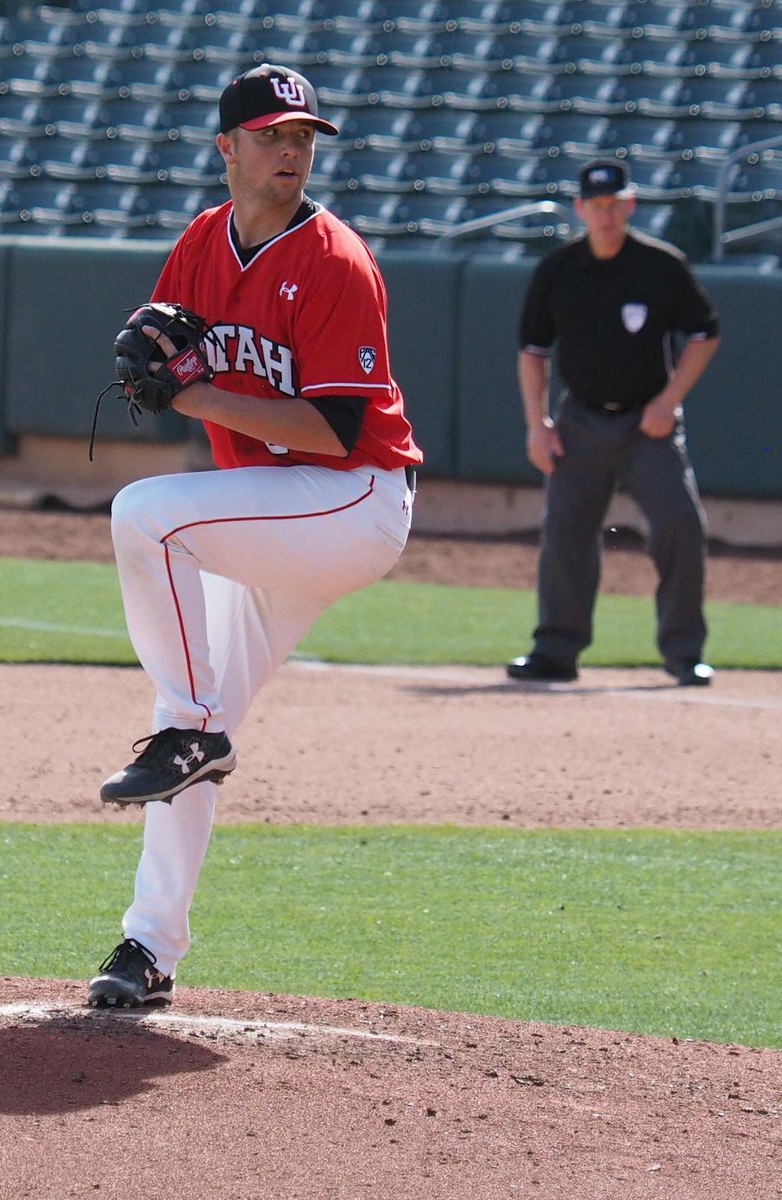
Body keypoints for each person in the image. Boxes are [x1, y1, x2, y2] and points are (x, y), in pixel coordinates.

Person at [88, 64, 423, 1008]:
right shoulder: (203, 241)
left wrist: (188, 391)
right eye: (273, 134)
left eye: (304, 137)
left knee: (145, 516)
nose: (292, 150)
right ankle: (147, 951)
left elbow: (340, 430)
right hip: (272, 519)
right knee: (185, 726)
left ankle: (193, 732)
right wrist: (151, 360)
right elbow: (161, 335)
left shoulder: (335, 260)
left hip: (352, 500)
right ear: (227, 147)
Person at [506, 158, 721, 688]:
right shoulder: (557, 269)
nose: (605, 214)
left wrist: (668, 401)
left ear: (630, 205)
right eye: (596, 205)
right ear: (581, 209)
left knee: (680, 524)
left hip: (647, 425)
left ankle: (683, 652)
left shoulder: (660, 265)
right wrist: (538, 424)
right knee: (565, 532)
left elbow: (705, 333)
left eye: (614, 204)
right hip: (580, 421)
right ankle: (556, 650)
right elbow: (532, 349)